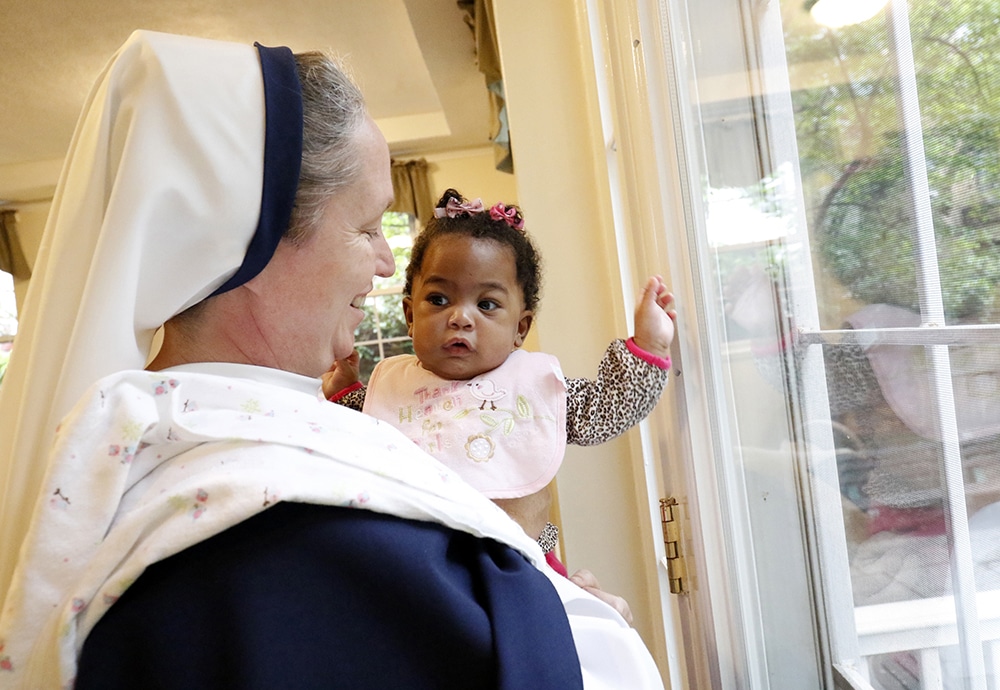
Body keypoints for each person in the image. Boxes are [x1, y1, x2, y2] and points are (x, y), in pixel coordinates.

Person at [0, 30, 665, 688]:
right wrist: (580, 633)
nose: (384, 263)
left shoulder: (148, 455)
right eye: (368, 226)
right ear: (250, 242)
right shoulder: (299, 539)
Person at [324, 189, 676, 584]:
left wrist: (650, 346)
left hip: (522, 570)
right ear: (410, 314)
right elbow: (356, 429)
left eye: (487, 305)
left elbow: (608, 409)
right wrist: (345, 391)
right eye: (438, 299)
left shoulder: (532, 388)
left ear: (520, 329)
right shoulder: (391, 386)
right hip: (417, 574)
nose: (460, 317)